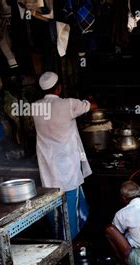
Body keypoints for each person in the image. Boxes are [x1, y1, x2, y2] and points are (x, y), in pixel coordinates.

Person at [33, 71, 93, 239]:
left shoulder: (35, 107)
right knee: (71, 204)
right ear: (59, 88)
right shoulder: (68, 104)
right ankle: (72, 243)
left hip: (48, 165)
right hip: (68, 164)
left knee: (53, 202)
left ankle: (59, 238)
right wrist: (88, 99)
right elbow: (91, 106)